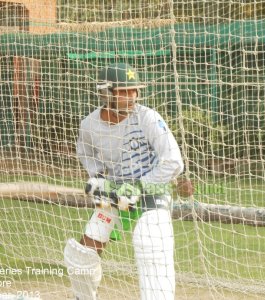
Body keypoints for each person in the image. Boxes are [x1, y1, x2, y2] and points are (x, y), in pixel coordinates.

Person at [64, 62, 186, 300]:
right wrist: (98, 179)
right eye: (123, 91)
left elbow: (173, 162)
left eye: (134, 90)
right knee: (81, 254)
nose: (132, 97)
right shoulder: (89, 124)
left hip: (153, 193)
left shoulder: (148, 118)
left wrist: (140, 187)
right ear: (106, 92)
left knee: (149, 245)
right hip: (115, 195)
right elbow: (86, 154)